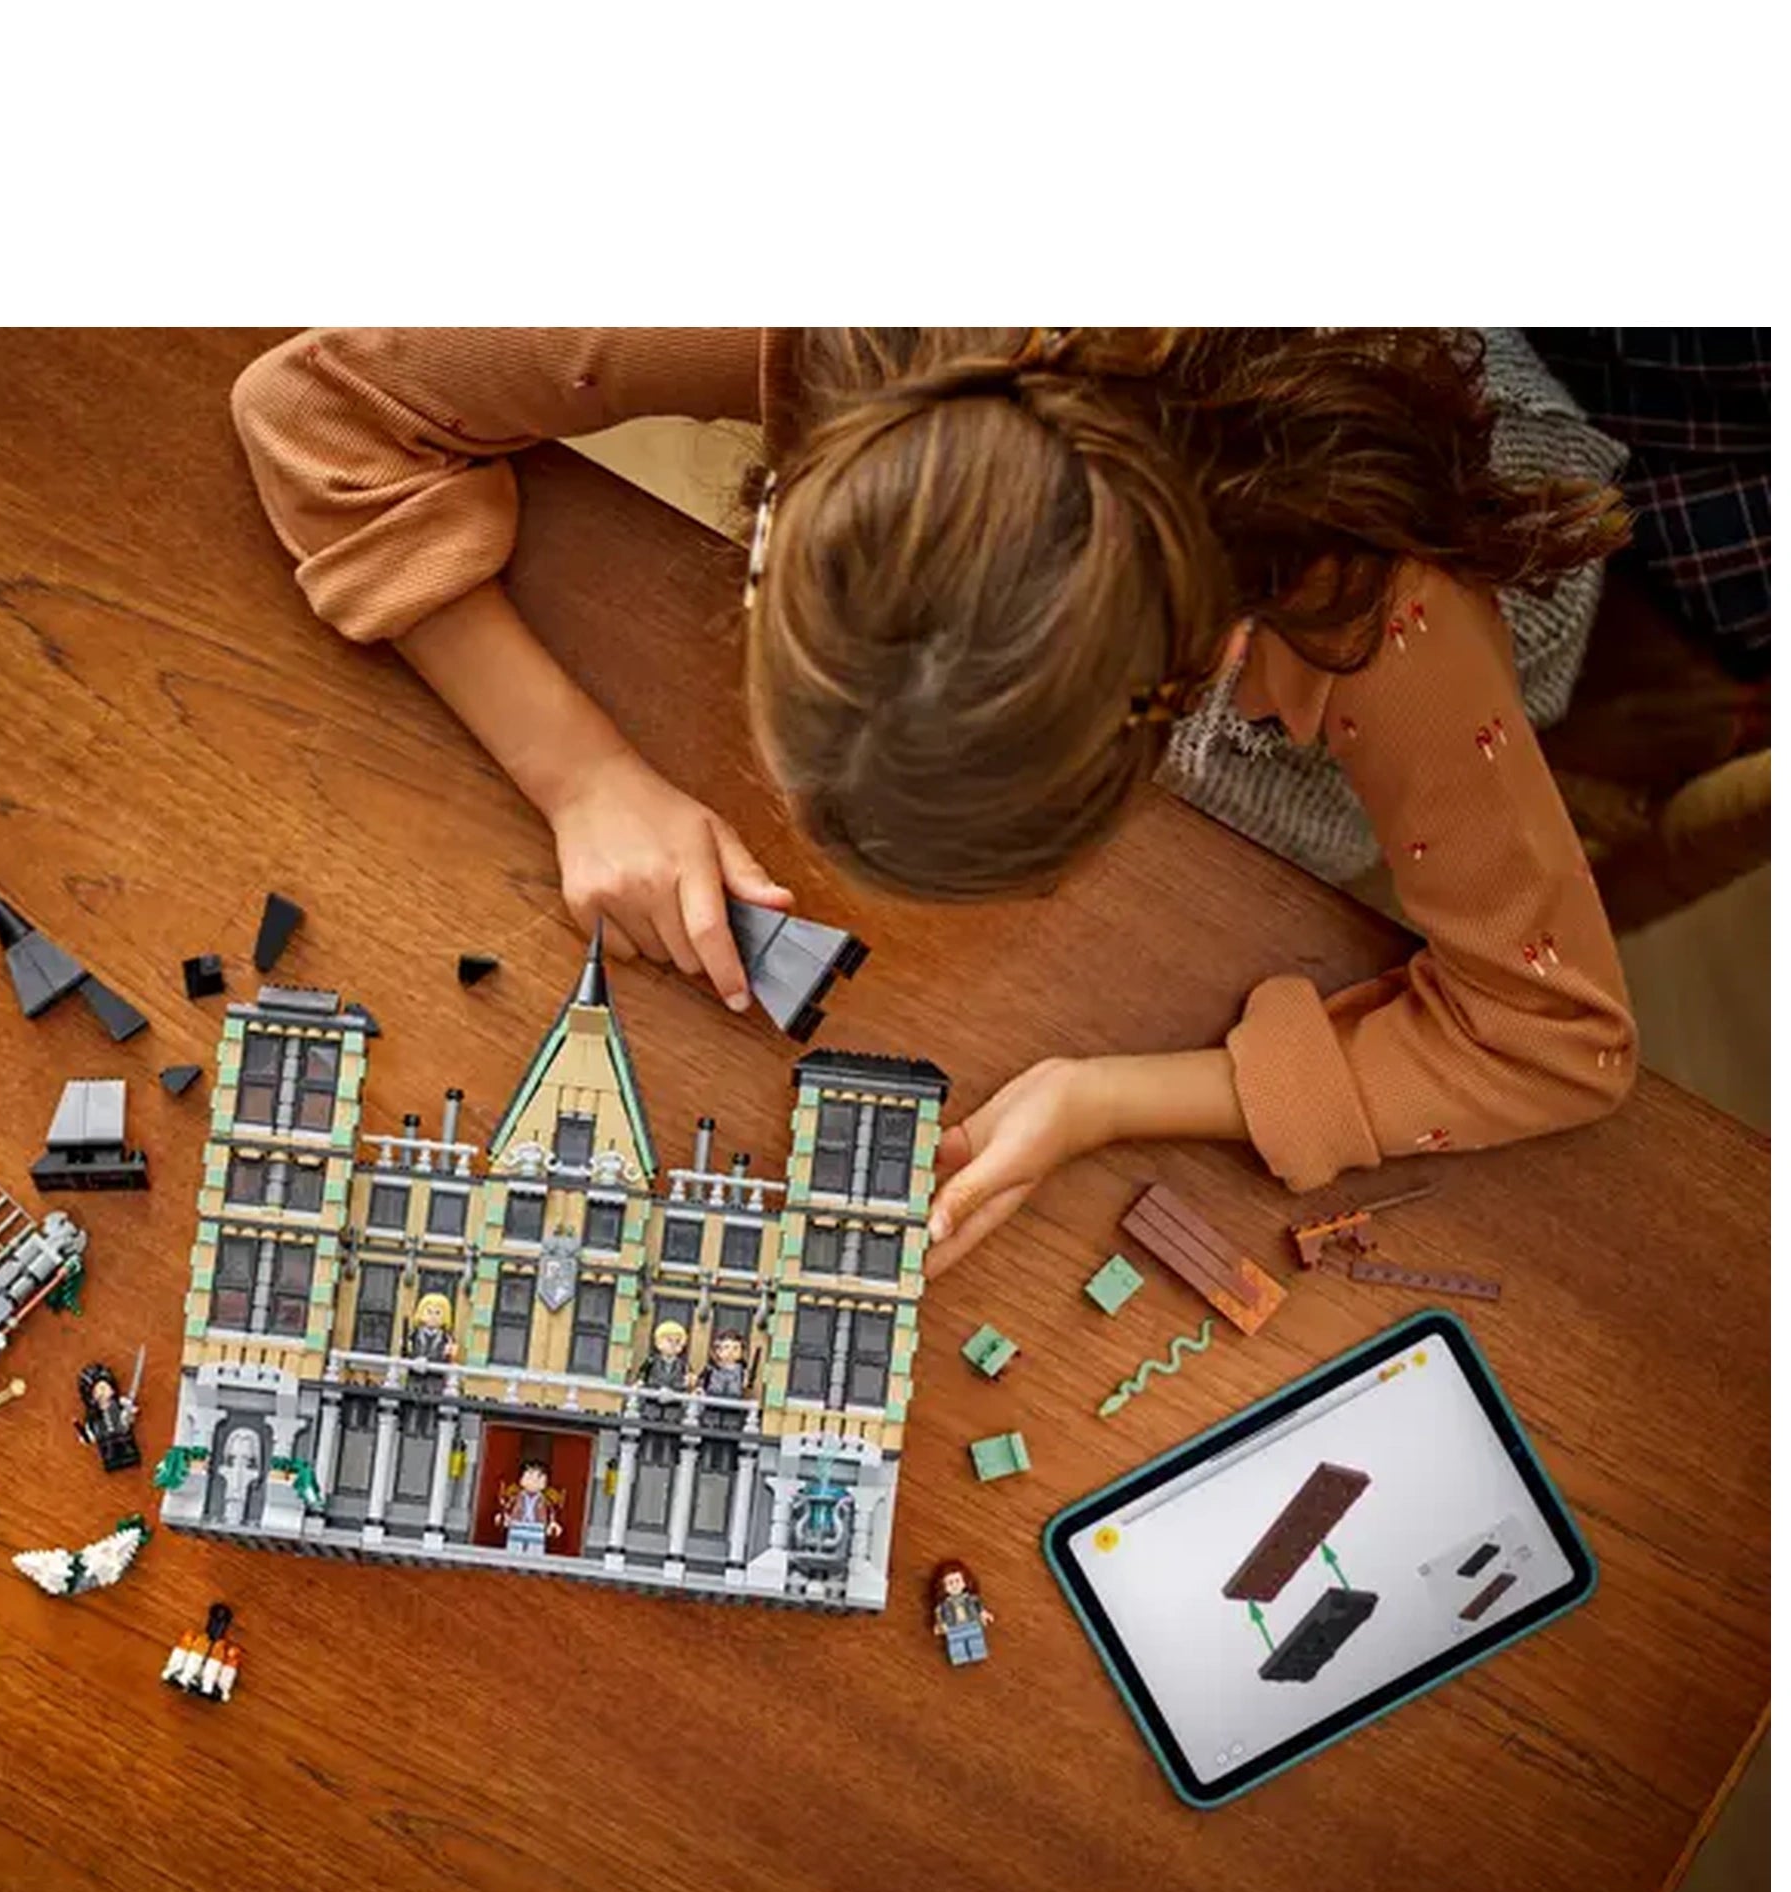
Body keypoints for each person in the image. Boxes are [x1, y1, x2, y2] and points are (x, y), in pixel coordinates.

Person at [232, 328, 1641, 1273]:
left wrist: (1107, 1097)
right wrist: (578, 773)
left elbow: (1555, 1037)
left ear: (1200, 675)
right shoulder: (822, 313)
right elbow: (313, 408)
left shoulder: (1377, 615)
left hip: (1407, 462)